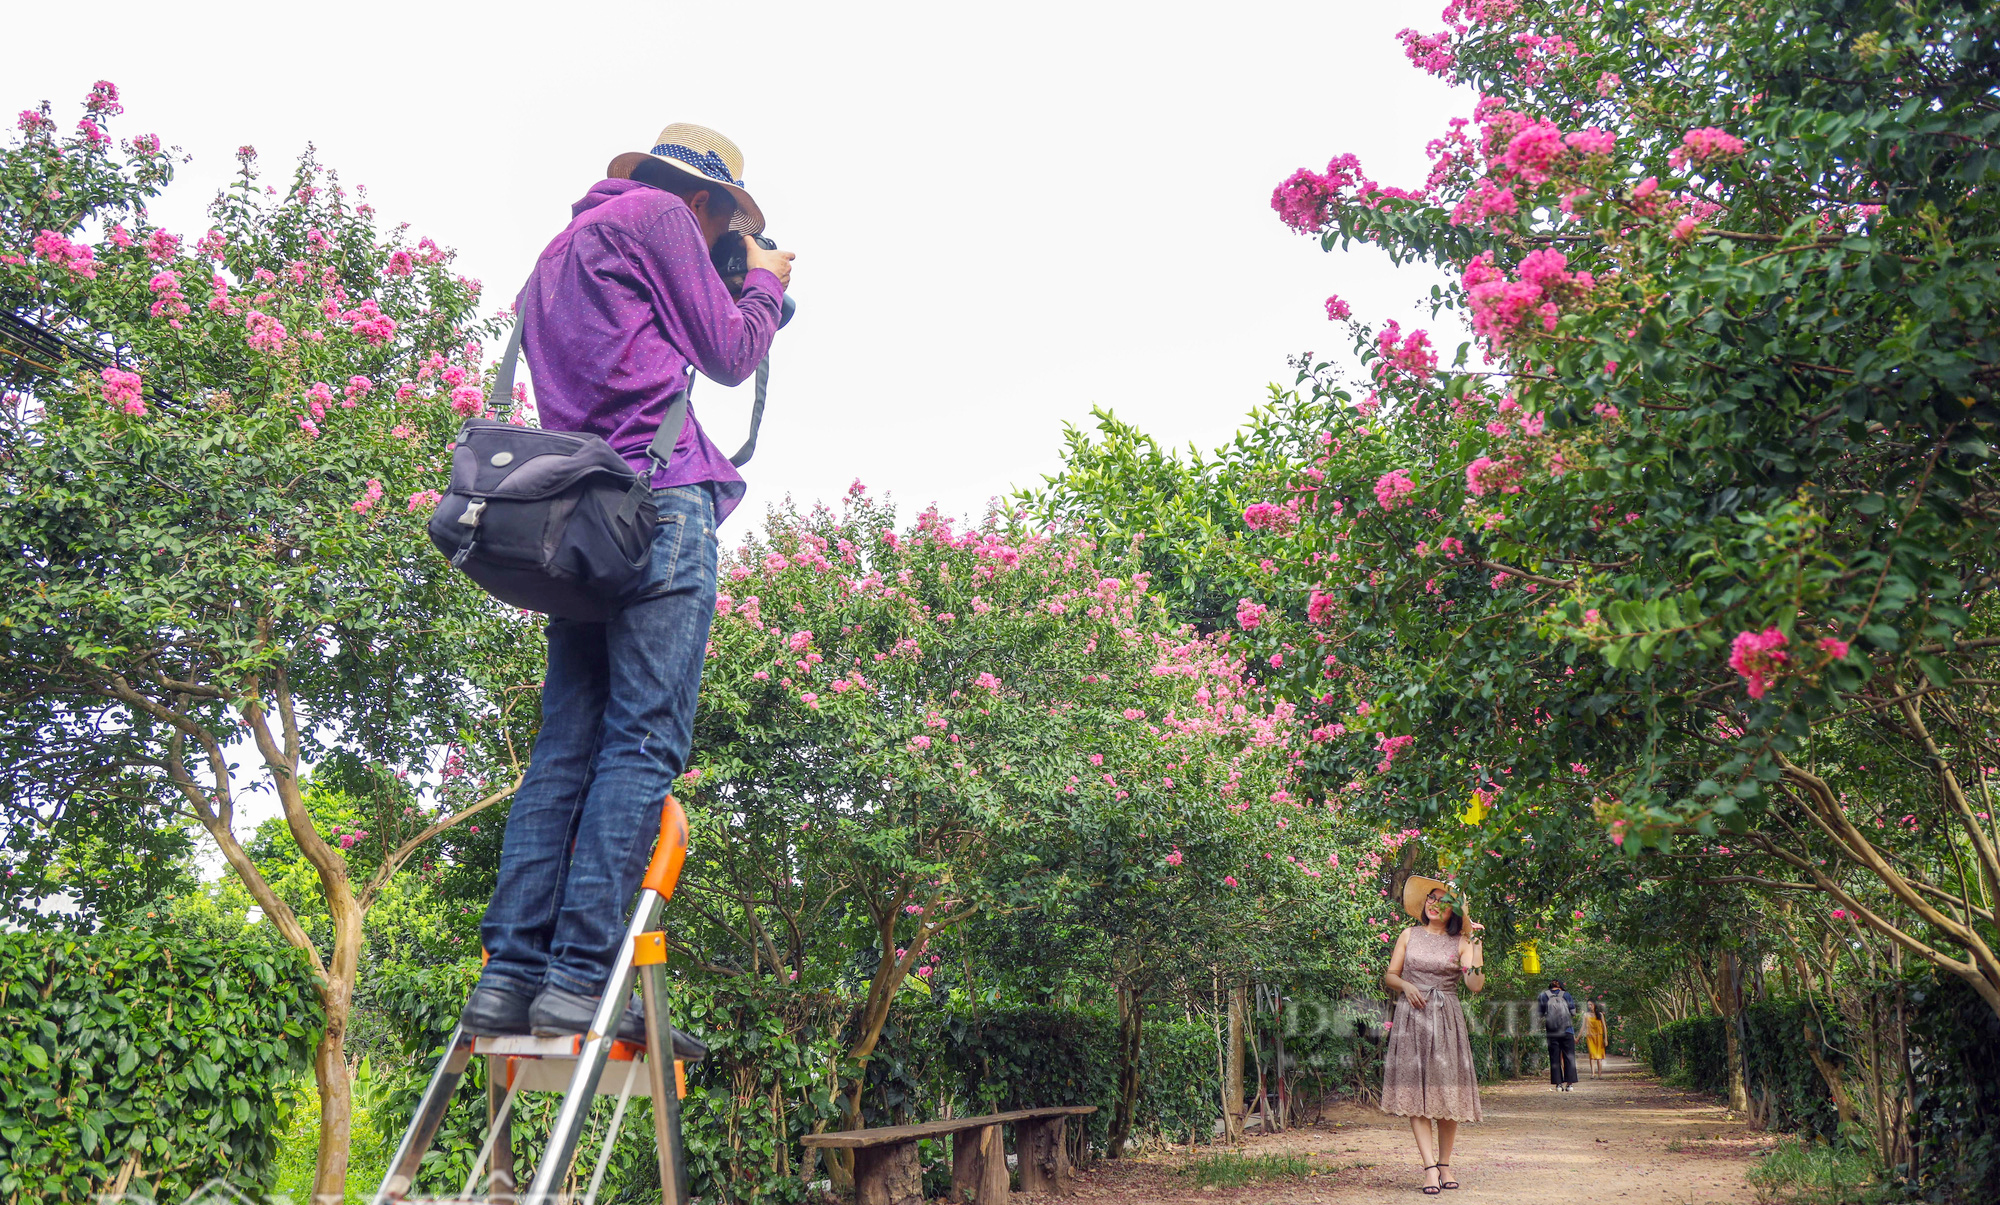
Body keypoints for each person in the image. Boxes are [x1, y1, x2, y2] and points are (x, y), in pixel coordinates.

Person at [456, 123, 795, 1040]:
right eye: (724, 222)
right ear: (705, 202)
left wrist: (729, 284)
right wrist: (764, 281)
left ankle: (511, 975)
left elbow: (639, 348)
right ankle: (584, 978)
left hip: (586, 527)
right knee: (642, 745)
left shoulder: (563, 248)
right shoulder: (662, 218)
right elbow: (728, 354)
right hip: (660, 509)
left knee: (564, 748)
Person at [1381, 875, 1486, 1195]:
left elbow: (1475, 985)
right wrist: (1406, 985)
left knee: (1446, 1094)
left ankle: (1445, 1164)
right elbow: (1390, 975)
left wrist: (1476, 942)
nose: (1434, 904)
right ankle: (1429, 1168)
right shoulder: (1408, 934)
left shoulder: (1462, 942)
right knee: (1417, 1094)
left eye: (1443, 901)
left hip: (1447, 1020)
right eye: (1431, 898)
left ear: (1454, 911)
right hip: (1412, 1018)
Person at [1536, 978, 1580, 1091]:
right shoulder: (1566, 995)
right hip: (1567, 1030)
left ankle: (1558, 1084)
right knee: (1569, 1056)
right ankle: (1569, 1085)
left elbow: (1540, 1014)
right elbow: (1573, 1012)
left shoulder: (1543, 996)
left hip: (1552, 1031)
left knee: (1555, 1057)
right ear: (1561, 986)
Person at [1583, 1001, 1608, 1078]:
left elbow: (1604, 1027)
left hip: (1599, 1037)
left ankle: (1600, 1074)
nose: (1590, 1006)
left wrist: (1606, 1038)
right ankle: (1593, 1073)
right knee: (1592, 1056)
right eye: (1588, 1005)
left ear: (1594, 1005)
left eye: (1591, 1004)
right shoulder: (1586, 1015)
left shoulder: (1600, 1015)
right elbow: (1583, 1027)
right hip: (1590, 1037)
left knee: (1599, 1057)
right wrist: (1578, 1037)